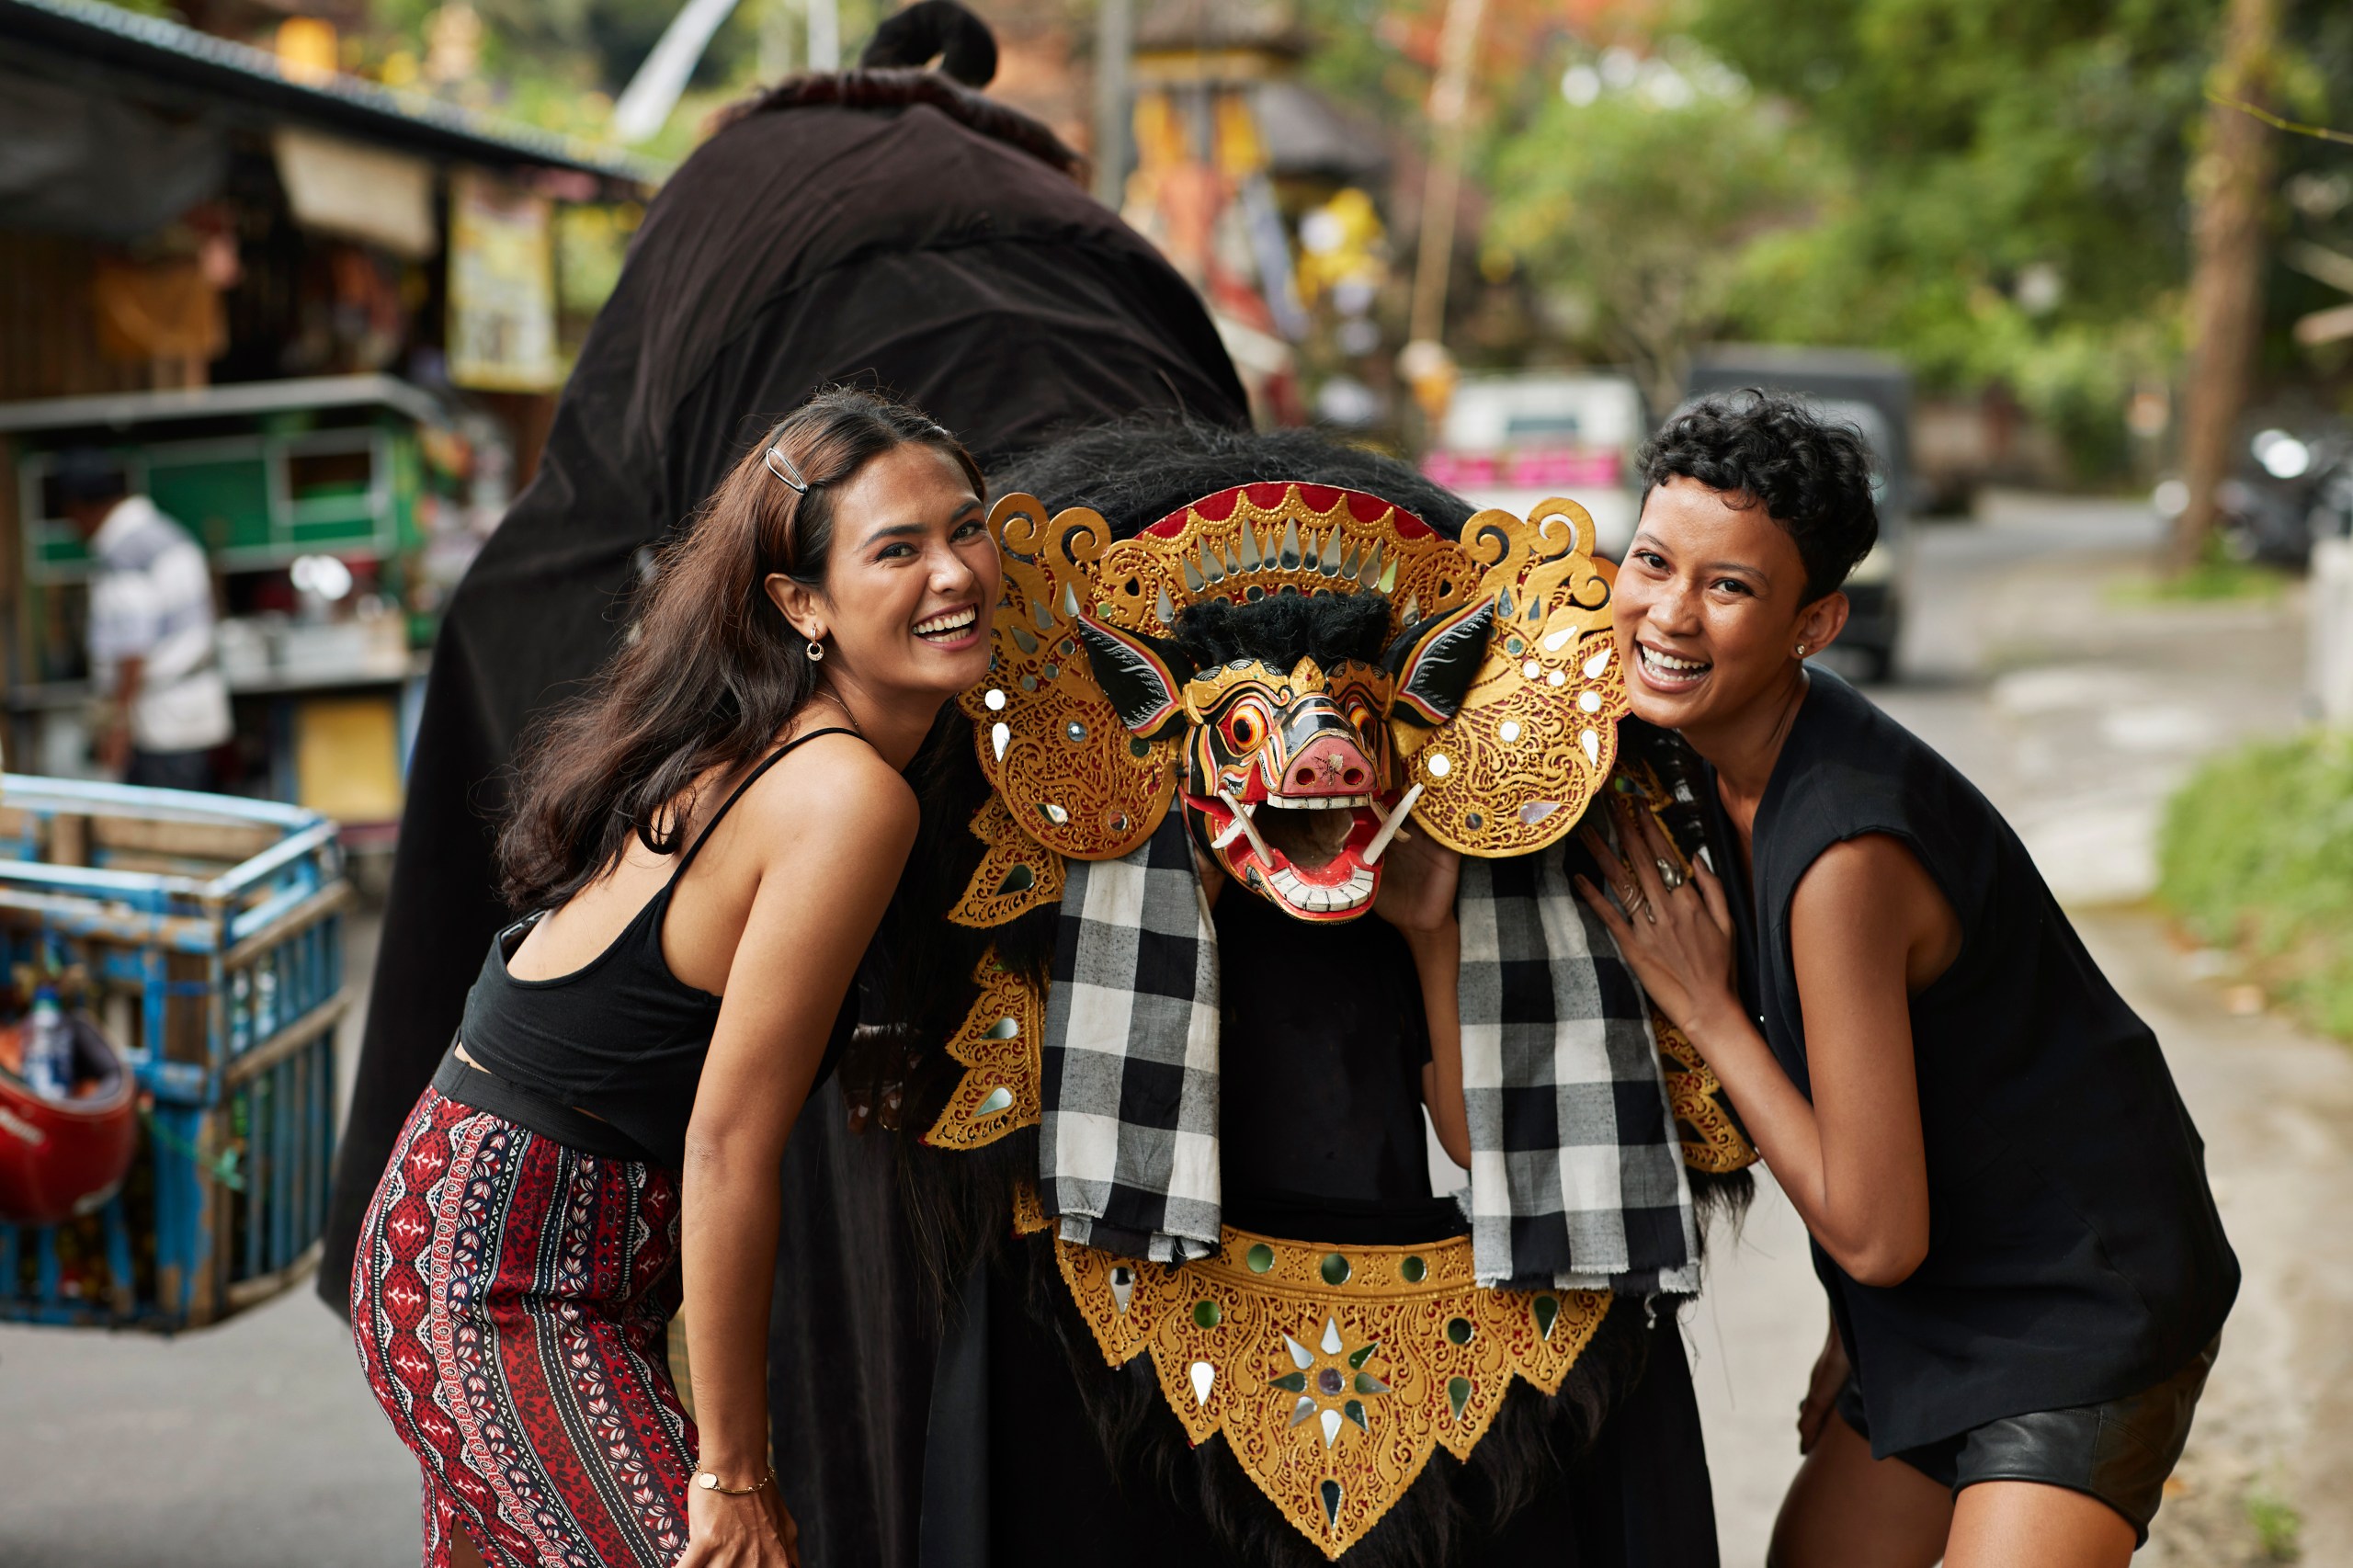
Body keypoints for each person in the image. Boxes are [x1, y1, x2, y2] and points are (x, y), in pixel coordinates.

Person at [1574, 392, 2237, 1566]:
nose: (1670, 611)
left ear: (1814, 621)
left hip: (2080, 1299)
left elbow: (1879, 1232)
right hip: (1930, 1297)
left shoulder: (1844, 855)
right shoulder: (1697, 758)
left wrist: (1703, 1002)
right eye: (1652, 560)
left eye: (1729, 587)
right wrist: (1858, 1324)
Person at [348, 389, 1001, 1568]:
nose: (952, 572)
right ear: (801, 603)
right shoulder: (843, 793)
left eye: (968, 527)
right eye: (896, 549)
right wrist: (733, 1471)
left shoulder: (794, 748)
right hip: (499, 1279)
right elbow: (726, 1143)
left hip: (514, 1244)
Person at [52, 449, 232, 790]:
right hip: (189, 713)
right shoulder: (166, 532)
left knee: (168, 830)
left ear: (79, 506)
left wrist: (118, 726)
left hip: (161, 722)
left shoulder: (126, 552)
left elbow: (133, 647)